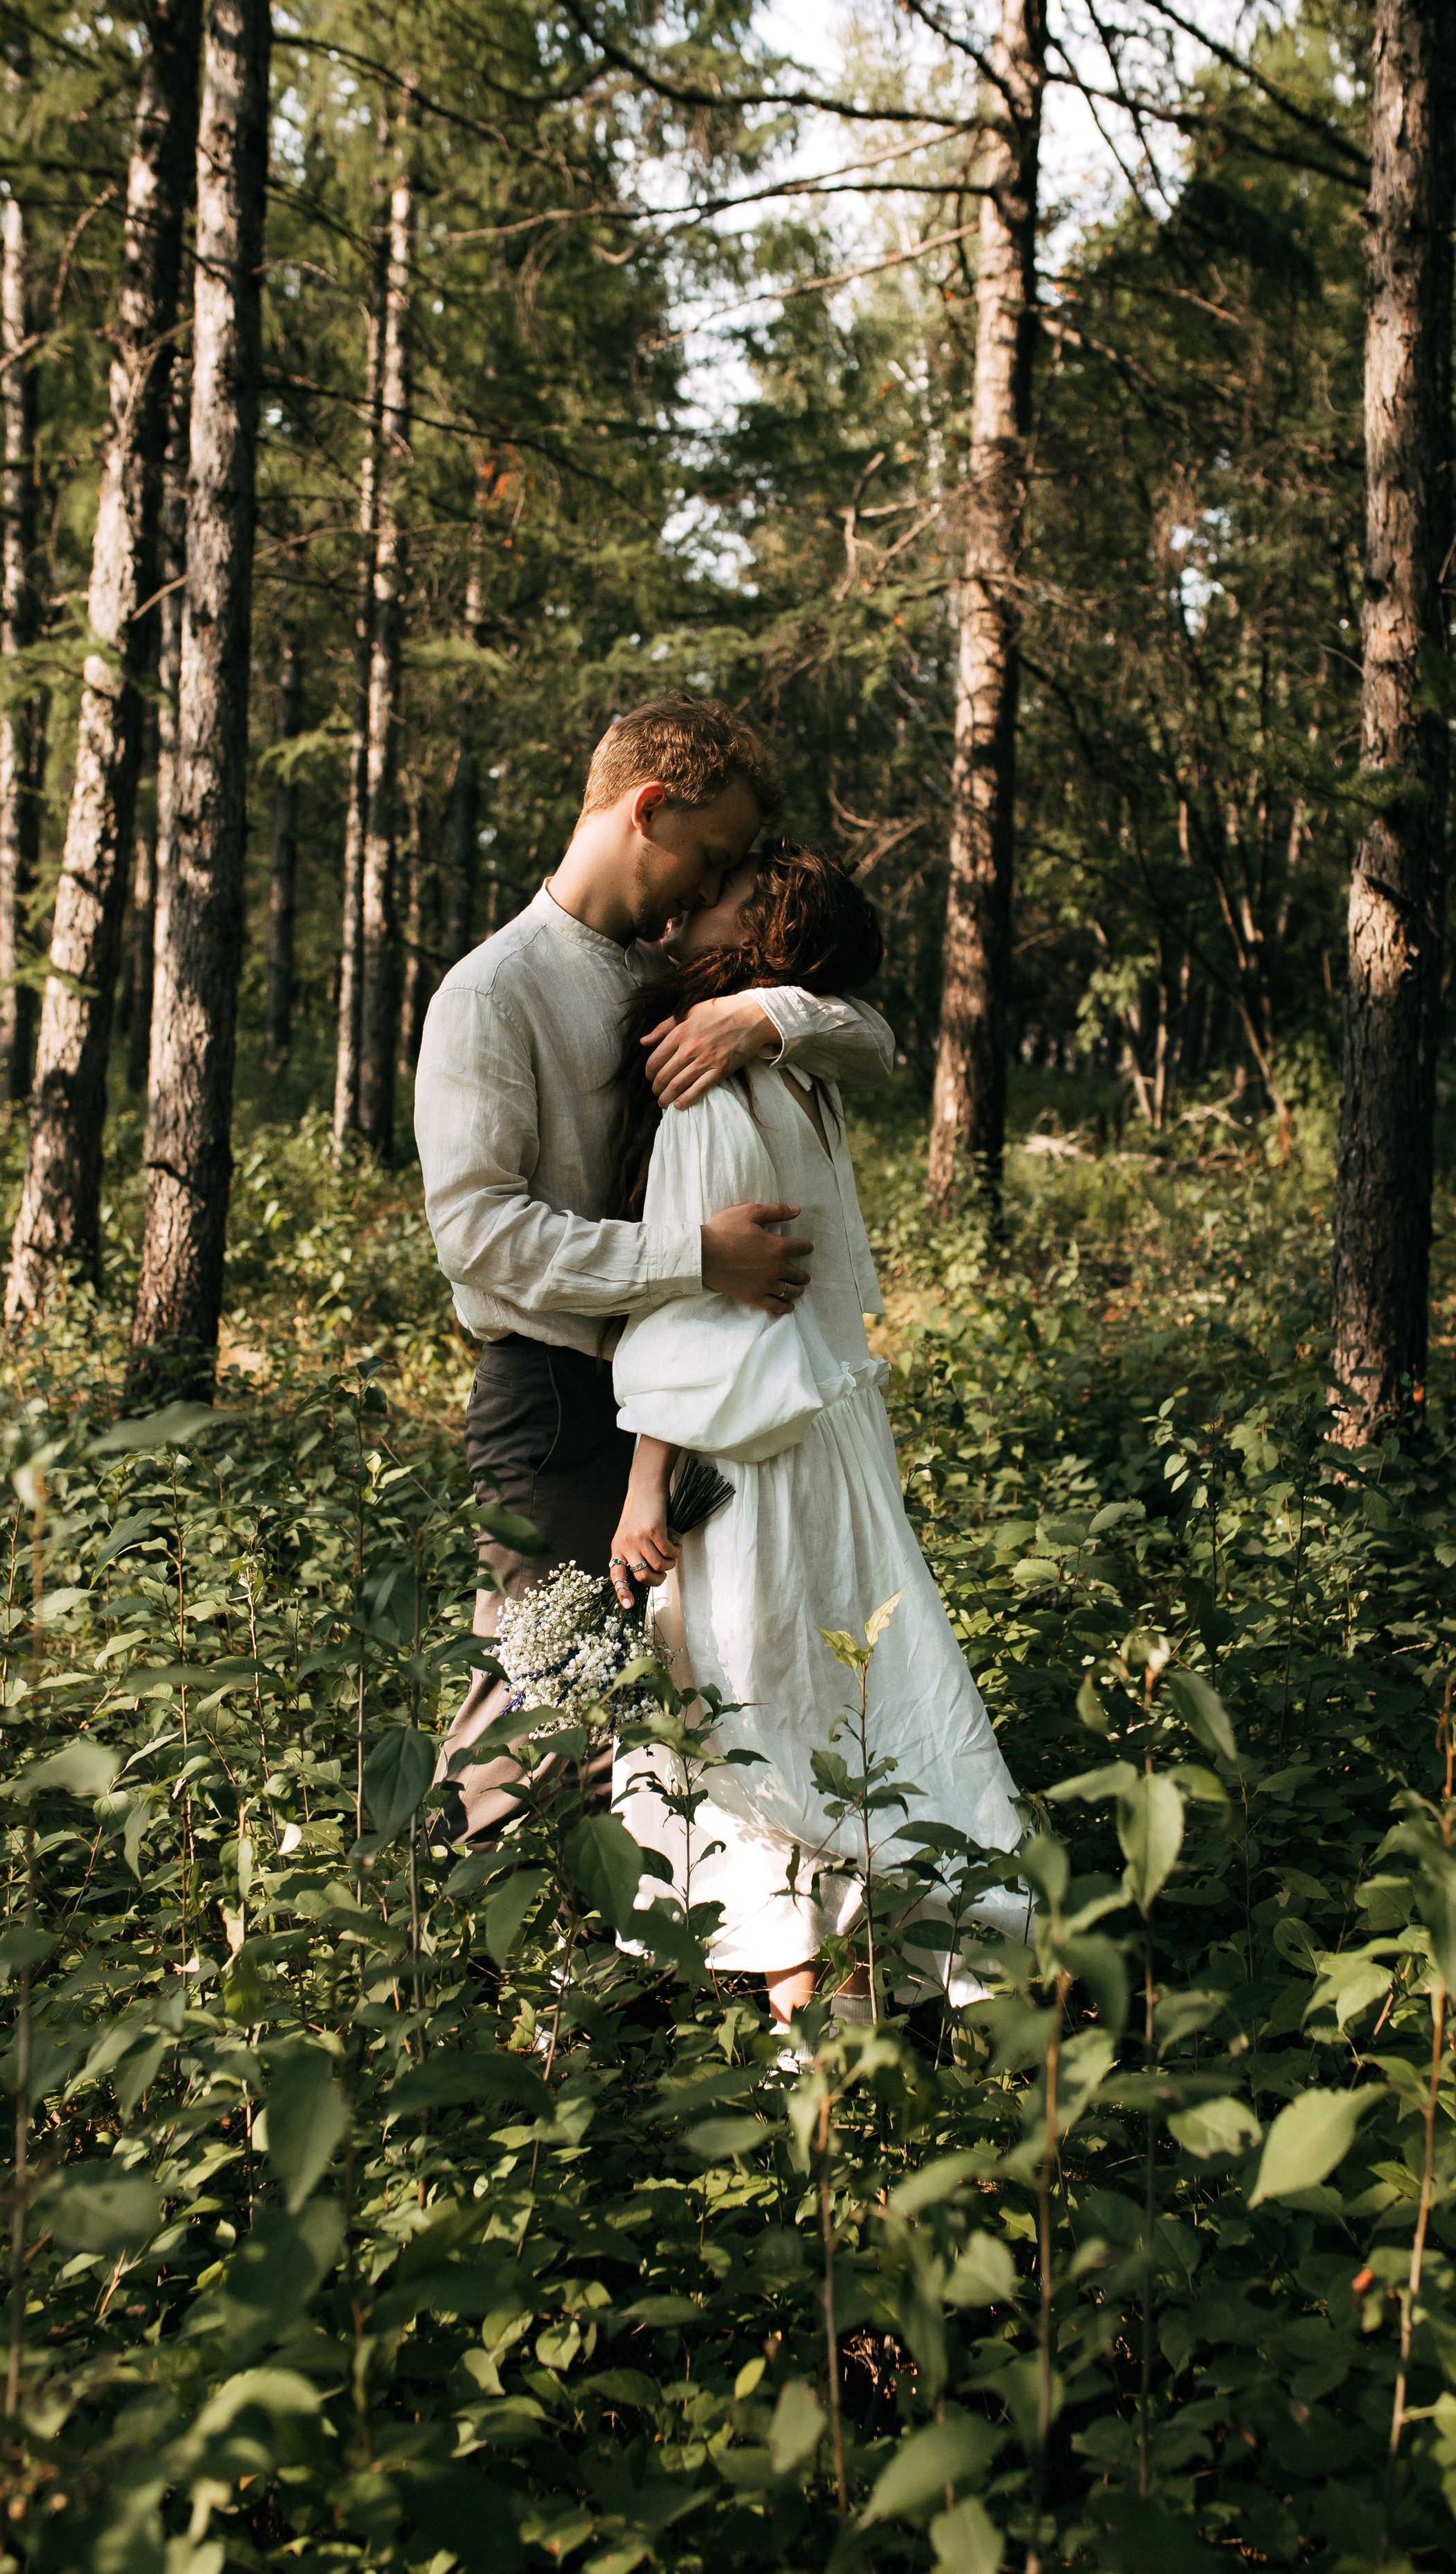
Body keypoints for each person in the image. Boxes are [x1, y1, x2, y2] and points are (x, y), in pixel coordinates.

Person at [413, 698, 895, 1843]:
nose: (708, 886)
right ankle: (440, 1977)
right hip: (559, 1398)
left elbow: (874, 1040)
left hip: (679, 1397)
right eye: (712, 856)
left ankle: (599, 1992)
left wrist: (765, 1015)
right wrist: (695, 1262)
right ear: (648, 808)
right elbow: (479, 1238)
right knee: (527, 1706)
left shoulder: (680, 970)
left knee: (655, 1705)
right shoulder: (497, 989)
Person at [604, 841, 1027, 2028]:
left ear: (764, 938)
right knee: (844, 1711)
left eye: (727, 895)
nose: (695, 900)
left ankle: (814, 2044)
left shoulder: (713, 1076)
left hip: (751, 1453)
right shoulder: (804, 1081)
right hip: (831, 1438)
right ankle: (857, 2015)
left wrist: (645, 1490)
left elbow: (699, 1314)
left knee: (755, 1728)